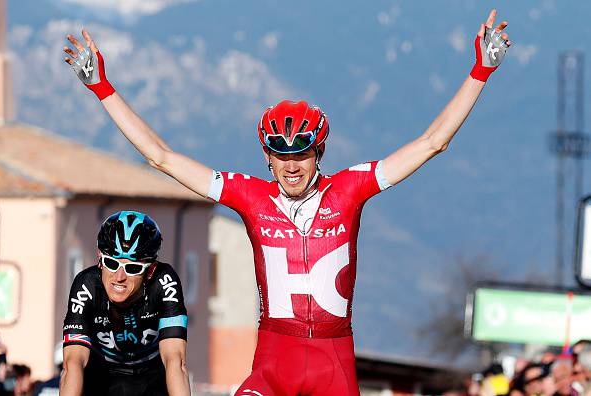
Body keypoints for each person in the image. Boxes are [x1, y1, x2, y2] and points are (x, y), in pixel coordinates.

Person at [64, 9, 511, 395]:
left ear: (319, 154)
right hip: (274, 358)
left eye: (302, 154)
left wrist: (480, 72)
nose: (291, 166)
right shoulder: (250, 195)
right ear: (267, 156)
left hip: (333, 361)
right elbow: (160, 156)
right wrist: (101, 86)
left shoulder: (350, 189)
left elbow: (433, 142)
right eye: (281, 155)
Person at [60, 211, 189, 396]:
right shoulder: (86, 286)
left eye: (132, 268)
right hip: (102, 375)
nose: (119, 277)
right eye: (111, 263)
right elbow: (72, 364)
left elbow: (176, 362)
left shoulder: (164, 282)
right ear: (100, 258)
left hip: (151, 376)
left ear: (151, 269)